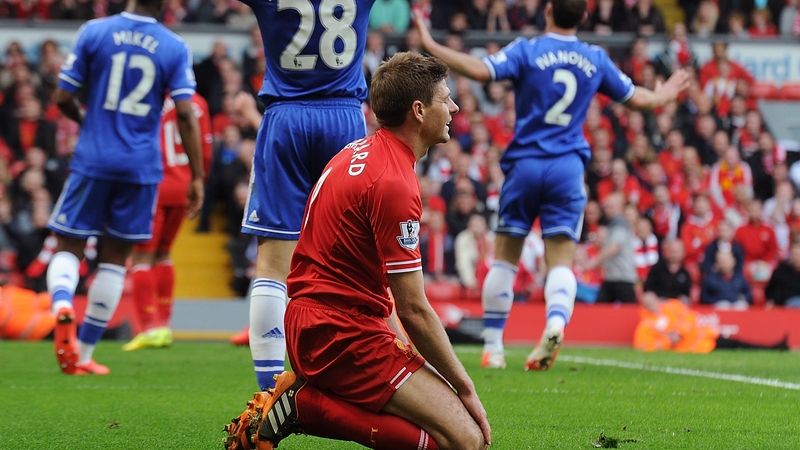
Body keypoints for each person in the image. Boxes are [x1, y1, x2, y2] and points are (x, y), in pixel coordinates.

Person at [224, 52, 491, 450]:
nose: (453, 108)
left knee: (443, 428)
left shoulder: (355, 153)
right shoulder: (395, 183)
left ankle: (306, 394)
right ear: (418, 111)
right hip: (339, 334)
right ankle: (303, 407)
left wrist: (405, 354)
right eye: (445, 99)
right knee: (467, 442)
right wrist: (464, 386)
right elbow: (414, 308)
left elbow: (378, 288)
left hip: (323, 323)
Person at [414, 0, 690, 370]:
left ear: (547, 11)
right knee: (560, 256)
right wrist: (666, 93)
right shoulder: (594, 57)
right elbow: (638, 99)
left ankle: (493, 346)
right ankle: (556, 324)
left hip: (526, 163)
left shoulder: (528, 49)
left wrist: (433, 46)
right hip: (567, 166)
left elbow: (480, 71)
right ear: (584, 17)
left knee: (506, 256)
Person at [48, 0, 204, 375]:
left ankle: (63, 304)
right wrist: (198, 175)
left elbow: (62, 96)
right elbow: (185, 111)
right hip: (140, 168)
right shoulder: (174, 45)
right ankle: (83, 356)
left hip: (93, 157)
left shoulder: (94, 31)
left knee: (69, 244)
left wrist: (87, 122)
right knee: (116, 261)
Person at [237, 0, 375, 391]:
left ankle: (267, 391)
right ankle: (355, 374)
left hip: (287, 119)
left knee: (272, 265)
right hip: (345, 119)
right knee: (352, 258)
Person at [123, 92, 213, 351]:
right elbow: (206, 150)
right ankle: (163, 325)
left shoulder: (146, 98)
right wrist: (199, 182)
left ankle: (149, 327)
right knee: (163, 253)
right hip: (184, 186)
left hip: (153, 186)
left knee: (141, 257)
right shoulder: (198, 102)